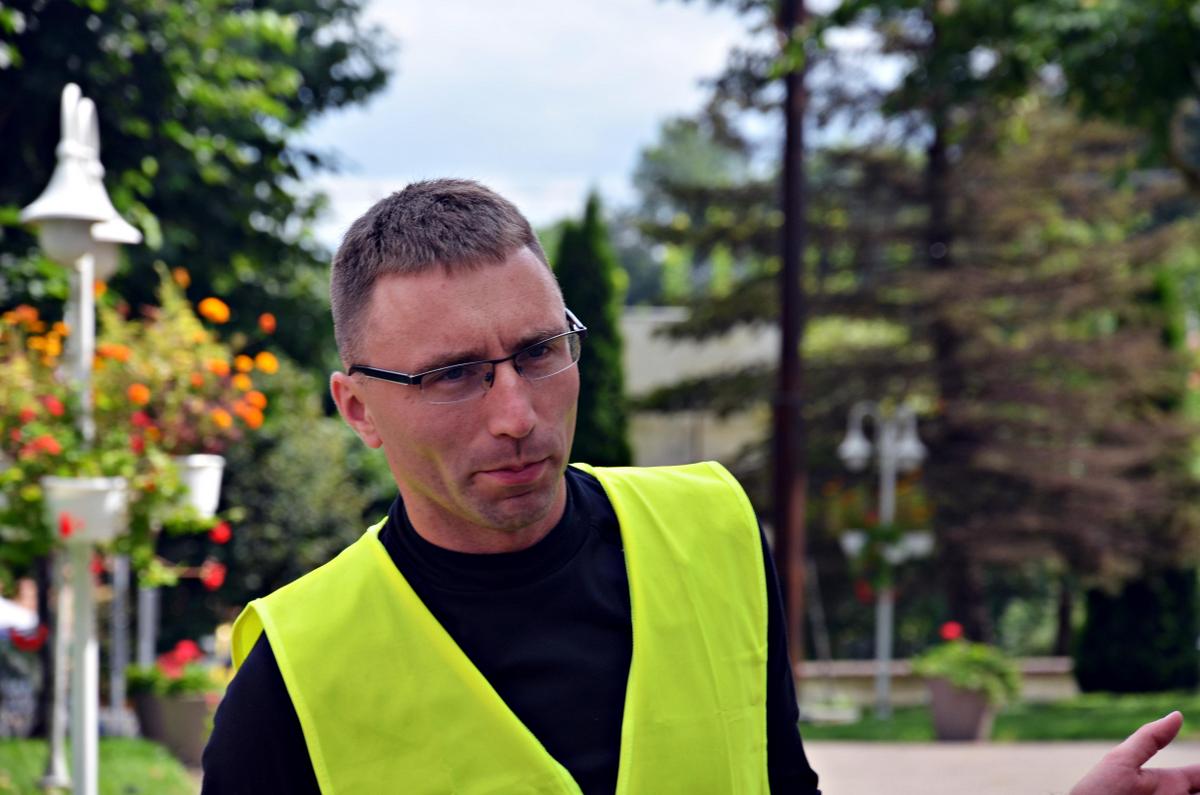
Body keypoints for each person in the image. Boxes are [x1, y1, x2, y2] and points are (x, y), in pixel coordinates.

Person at [202, 179, 1199, 795]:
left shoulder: (714, 532)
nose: (515, 412)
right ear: (359, 408)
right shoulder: (296, 673)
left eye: (539, 352)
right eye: (454, 374)